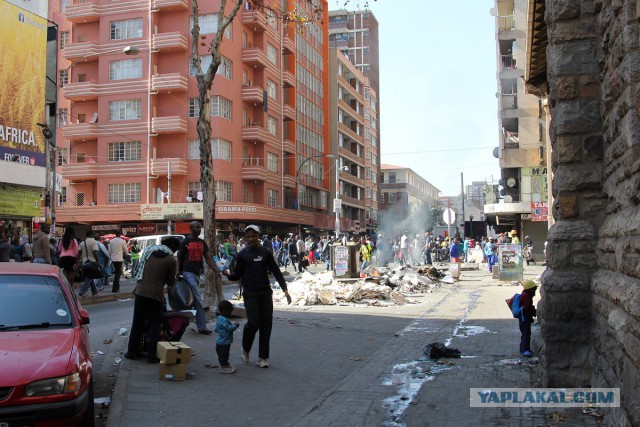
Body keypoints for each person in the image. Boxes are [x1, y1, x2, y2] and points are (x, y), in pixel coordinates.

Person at [222, 225, 291, 368]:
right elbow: (236, 275)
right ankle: (245, 348)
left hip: (265, 293)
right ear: (245, 238)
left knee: (266, 325)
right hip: (250, 294)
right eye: (248, 237)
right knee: (253, 323)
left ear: (258, 236)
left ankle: (263, 357)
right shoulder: (242, 255)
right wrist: (227, 274)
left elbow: (276, 271)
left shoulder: (265, 253)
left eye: (253, 236)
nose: (251, 239)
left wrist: (285, 290)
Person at [125, 237, 180, 363]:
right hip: (155, 295)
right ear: (174, 248)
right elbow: (170, 281)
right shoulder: (170, 259)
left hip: (140, 292)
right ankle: (151, 355)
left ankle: (132, 352)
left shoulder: (148, 252)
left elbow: (140, 271)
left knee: (137, 322)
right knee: (155, 323)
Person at [177, 221, 219, 335]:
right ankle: (202, 326)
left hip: (197, 274)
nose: (198, 229)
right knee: (197, 299)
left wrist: (216, 270)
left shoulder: (202, 243)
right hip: (187, 273)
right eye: (196, 227)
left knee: (190, 301)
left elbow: (208, 258)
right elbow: (179, 257)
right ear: (190, 229)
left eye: (200, 227)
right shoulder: (185, 241)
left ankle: (179, 324)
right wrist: (177, 271)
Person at [214, 300, 240, 374]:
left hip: (219, 341)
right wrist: (235, 325)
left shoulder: (219, 319)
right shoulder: (224, 321)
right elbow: (229, 328)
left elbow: (216, 329)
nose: (230, 313)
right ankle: (224, 367)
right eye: (230, 311)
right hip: (224, 342)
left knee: (223, 355)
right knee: (224, 355)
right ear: (225, 311)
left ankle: (225, 365)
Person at [78, 230, 101, 298]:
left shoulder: (82, 242)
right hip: (92, 262)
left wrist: (77, 263)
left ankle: (95, 292)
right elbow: (95, 252)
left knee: (90, 277)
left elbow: (78, 253)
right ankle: (81, 292)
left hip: (84, 262)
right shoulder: (94, 242)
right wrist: (97, 260)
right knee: (89, 278)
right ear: (92, 234)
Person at [518, 280, 538, 357]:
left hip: (522, 317)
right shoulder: (527, 296)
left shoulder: (524, 295)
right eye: (534, 289)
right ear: (530, 289)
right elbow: (527, 308)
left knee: (524, 333)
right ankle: (525, 350)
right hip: (525, 318)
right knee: (526, 334)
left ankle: (523, 349)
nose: (535, 291)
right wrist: (534, 312)